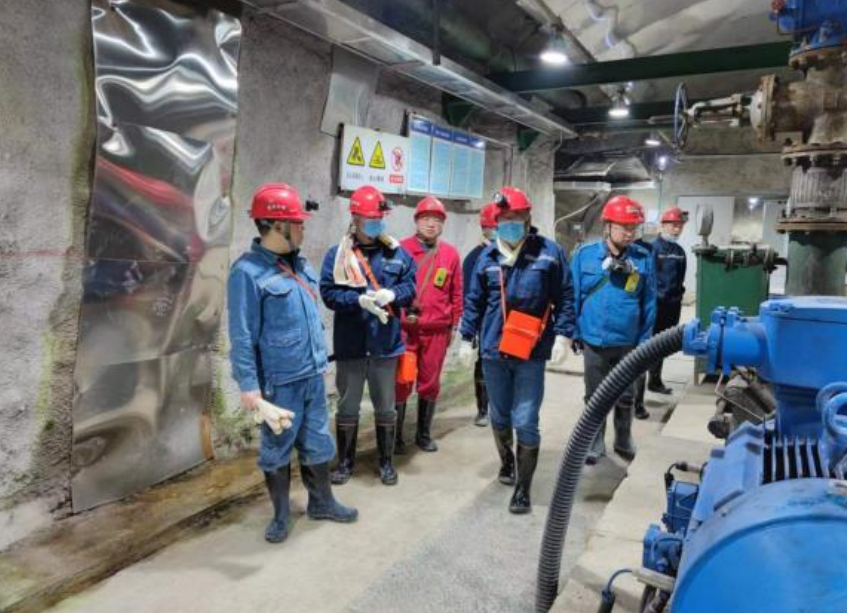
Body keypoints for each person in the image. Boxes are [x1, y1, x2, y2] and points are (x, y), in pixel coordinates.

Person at [227, 183, 358, 544]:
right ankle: (281, 515)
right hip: (279, 382)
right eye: (297, 222)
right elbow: (242, 335)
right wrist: (249, 387)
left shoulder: (299, 263)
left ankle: (322, 502)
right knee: (277, 448)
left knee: (318, 440)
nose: (303, 228)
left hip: (311, 375)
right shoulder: (247, 273)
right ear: (277, 226)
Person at [459, 186, 575, 514]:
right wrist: (466, 338)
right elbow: (474, 302)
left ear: (528, 218)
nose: (511, 223)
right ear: (496, 222)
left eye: (517, 216)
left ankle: (523, 488)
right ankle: (507, 461)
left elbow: (566, 295)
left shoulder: (549, 253)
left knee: (525, 419)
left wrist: (564, 336)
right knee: (499, 415)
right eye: (505, 218)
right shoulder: (486, 258)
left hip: (530, 351)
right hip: (493, 350)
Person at [320, 185, 417, 486]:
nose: (376, 223)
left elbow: (410, 287)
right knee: (347, 406)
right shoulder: (338, 255)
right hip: (351, 345)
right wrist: (357, 300)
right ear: (356, 219)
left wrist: (393, 294)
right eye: (370, 219)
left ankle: (386, 463)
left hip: (385, 345)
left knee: (386, 406)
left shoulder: (396, 253)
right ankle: (345, 463)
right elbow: (328, 293)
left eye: (379, 218)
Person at [570, 195, 657, 465]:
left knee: (626, 395)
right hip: (594, 340)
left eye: (633, 228)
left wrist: (645, 340)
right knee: (594, 396)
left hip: (628, 342)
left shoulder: (643, 259)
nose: (629, 233)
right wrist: (574, 332)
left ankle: (623, 437)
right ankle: (594, 442)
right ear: (607, 226)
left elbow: (649, 302)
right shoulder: (584, 256)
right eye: (624, 227)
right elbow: (572, 295)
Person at [394, 197, 463, 454]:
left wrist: (454, 326)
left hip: (437, 331)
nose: (431, 224)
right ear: (416, 221)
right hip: (405, 330)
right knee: (401, 382)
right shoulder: (401, 249)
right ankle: (395, 436)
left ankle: (423, 434)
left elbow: (457, 293)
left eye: (437, 220)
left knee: (430, 383)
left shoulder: (450, 254)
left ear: (443, 224)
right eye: (426, 219)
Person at [462, 202, 499, 427]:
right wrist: (470, 330)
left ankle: (503, 408)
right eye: (491, 227)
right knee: (484, 363)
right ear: (483, 228)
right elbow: (469, 295)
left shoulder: (511, 255)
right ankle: (483, 410)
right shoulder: (474, 258)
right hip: (485, 321)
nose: (494, 231)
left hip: (508, 319)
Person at [647, 207, 688, 394]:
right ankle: (639, 385)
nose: (677, 229)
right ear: (663, 225)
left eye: (680, 226)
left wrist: (678, 297)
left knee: (663, 345)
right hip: (655, 306)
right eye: (673, 225)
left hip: (672, 305)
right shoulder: (652, 249)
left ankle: (655, 381)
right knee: (648, 345)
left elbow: (680, 278)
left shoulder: (680, 251)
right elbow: (649, 278)